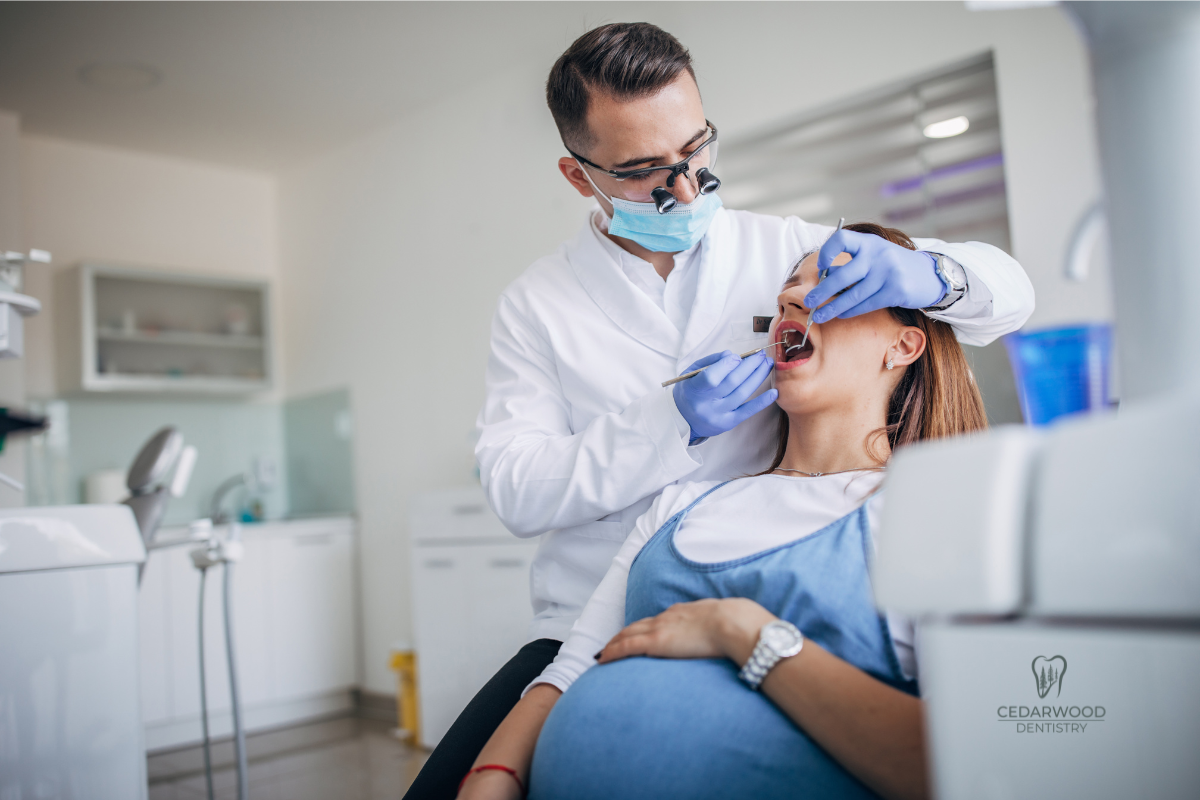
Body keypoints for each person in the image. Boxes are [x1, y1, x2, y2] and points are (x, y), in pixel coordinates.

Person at [403, 23, 1033, 799]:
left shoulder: (788, 252)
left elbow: (1006, 295)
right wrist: (667, 426)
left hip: (781, 590)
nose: (686, 187)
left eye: (697, 150)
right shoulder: (537, 306)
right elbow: (518, 491)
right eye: (645, 171)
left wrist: (926, 269)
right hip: (592, 617)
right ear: (579, 175)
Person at [459, 223, 985, 800]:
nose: (790, 297)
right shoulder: (680, 502)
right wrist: (494, 777)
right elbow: (569, 669)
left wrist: (741, 632)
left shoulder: (932, 515)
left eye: (831, 285)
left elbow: (969, 762)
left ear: (903, 347)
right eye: (788, 286)